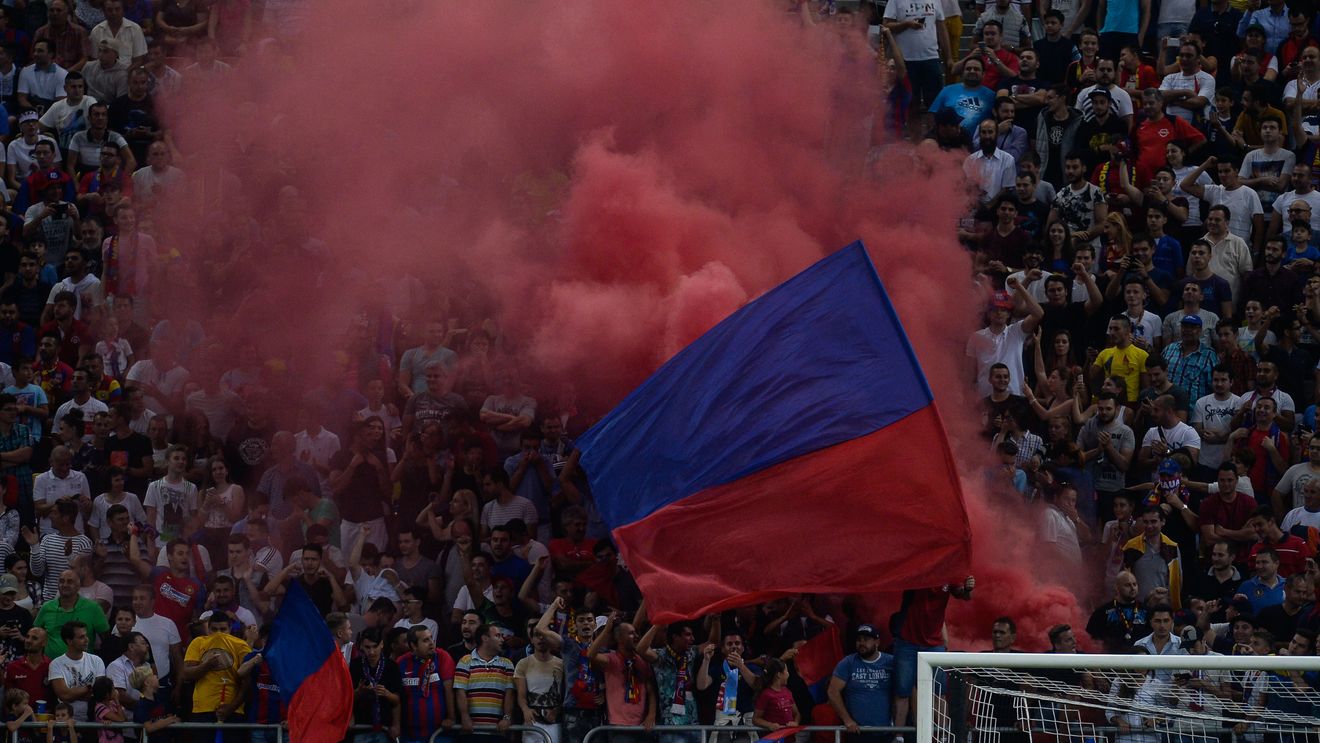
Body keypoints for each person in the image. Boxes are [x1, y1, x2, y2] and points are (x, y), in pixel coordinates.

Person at [180, 610, 251, 743]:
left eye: (223, 629)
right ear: (208, 629)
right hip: (203, 708)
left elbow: (247, 683)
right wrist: (206, 665)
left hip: (233, 710)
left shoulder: (241, 645)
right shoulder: (198, 642)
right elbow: (186, 674)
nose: (219, 633)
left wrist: (230, 708)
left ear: (230, 629)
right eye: (214, 629)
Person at [827, 623, 895, 742]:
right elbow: (832, 691)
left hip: (885, 732)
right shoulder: (847, 662)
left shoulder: (890, 662)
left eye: (866, 639)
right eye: (859, 640)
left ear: (877, 642)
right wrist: (847, 720)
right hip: (857, 732)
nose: (861, 643)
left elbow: (905, 690)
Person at [456, 623, 515, 740]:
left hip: (497, 731)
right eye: (498, 636)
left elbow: (510, 694)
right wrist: (465, 717)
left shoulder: (507, 664)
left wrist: (507, 718)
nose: (502, 639)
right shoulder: (466, 661)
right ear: (485, 638)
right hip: (471, 730)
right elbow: (460, 691)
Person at [397, 625, 454, 743]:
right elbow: (397, 696)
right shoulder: (401, 663)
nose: (431, 643)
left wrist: (451, 718)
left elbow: (449, 690)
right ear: (413, 645)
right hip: (409, 734)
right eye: (425, 640)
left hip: (440, 733)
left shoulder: (442, 657)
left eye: (431, 638)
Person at [515, 617, 566, 743]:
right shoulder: (523, 663)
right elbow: (521, 695)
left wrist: (557, 710)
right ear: (531, 640)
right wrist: (525, 710)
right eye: (537, 636)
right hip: (532, 721)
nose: (541, 639)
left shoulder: (561, 664)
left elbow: (567, 694)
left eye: (543, 635)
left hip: (555, 721)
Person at [47, 620, 105, 723]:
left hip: (93, 719)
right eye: (81, 637)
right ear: (69, 641)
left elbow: (100, 694)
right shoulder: (56, 664)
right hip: (67, 721)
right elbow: (64, 695)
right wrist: (89, 688)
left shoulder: (97, 661)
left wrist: (74, 693)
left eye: (86, 635)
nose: (87, 640)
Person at [1086, 571, 1151, 651]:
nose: (1132, 588)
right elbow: (1091, 640)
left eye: (1135, 584)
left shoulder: (1147, 611)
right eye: (1127, 585)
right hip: (1111, 660)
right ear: (1117, 588)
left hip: (1141, 659)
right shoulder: (1101, 612)